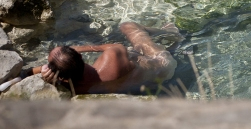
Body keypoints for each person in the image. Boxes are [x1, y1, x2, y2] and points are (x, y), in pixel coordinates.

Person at [29, 22, 179, 95]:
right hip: (162, 64)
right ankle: (170, 32)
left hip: (148, 84)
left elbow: (26, 73)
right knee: (127, 26)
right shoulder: (111, 58)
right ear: (80, 56)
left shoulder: (75, 88)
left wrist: (46, 75)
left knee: (134, 54)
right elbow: (109, 46)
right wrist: (78, 48)